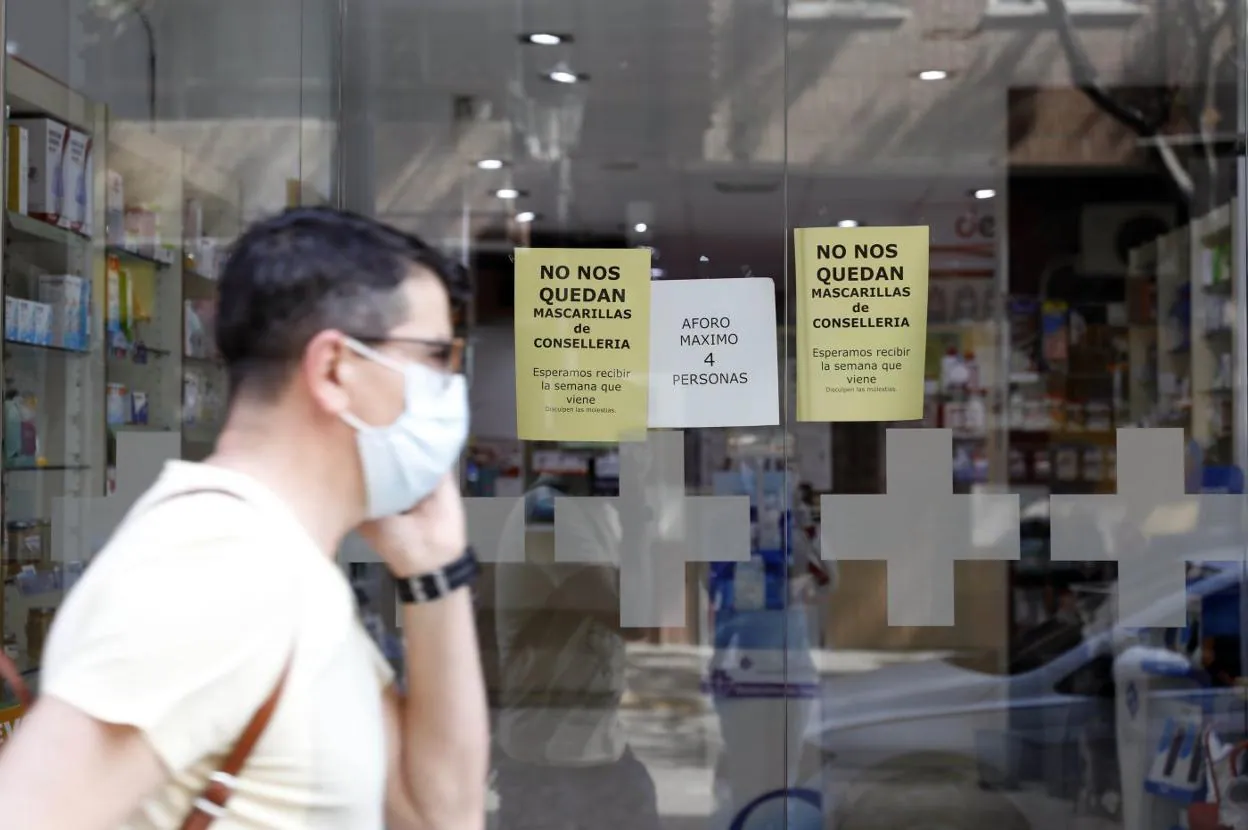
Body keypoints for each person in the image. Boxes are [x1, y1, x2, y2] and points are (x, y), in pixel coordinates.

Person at [0, 207, 489, 830]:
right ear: (335, 369)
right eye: (436, 356)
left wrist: (435, 573)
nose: (450, 384)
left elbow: (439, 814)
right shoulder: (217, 568)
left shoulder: (278, 563)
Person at [490, 473, 660, 830]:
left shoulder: (588, 513)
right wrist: (636, 523)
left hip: (590, 746)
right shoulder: (546, 513)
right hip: (552, 754)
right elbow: (631, 620)